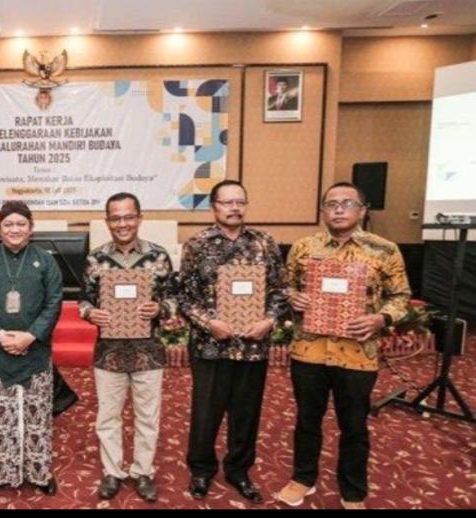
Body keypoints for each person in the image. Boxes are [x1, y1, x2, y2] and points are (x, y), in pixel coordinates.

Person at [275, 182, 411, 510]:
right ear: (323, 211)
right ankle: (303, 478)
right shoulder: (303, 248)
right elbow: (285, 287)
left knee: (354, 425)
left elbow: (401, 297)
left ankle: (352, 491)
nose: (338, 209)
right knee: (307, 420)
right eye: (331, 204)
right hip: (309, 350)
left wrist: (381, 319)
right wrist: (293, 297)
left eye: (347, 203)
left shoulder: (384, 250)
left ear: (362, 211)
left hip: (357, 354)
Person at [176, 180, 288, 503]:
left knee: (246, 414)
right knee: (205, 414)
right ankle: (201, 470)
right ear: (214, 207)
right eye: (227, 202)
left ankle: (239, 470)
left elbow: (281, 291)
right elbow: (183, 296)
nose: (235, 208)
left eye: (240, 202)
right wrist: (208, 323)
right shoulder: (197, 245)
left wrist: (269, 321)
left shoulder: (265, 243)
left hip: (252, 347)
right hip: (210, 347)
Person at [79, 192, 177, 503]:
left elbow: (174, 299)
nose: (122, 224)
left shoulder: (158, 256)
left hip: (148, 351)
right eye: (116, 218)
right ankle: (113, 471)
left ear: (139, 218)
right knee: (108, 416)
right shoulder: (95, 258)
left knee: (147, 416)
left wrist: (160, 308)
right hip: (108, 352)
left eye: (128, 217)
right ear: (107, 221)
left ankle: (142, 471)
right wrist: (90, 313)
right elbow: (83, 300)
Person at [0, 200, 63, 495]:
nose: (15, 229)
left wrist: (30, 336)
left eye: (21, 224)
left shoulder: (46, 261)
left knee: (36, 415)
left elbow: (54, 303)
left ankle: (39, 472)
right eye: (8, 224)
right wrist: (0, 336)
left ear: (31, 228)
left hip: (35, 350)